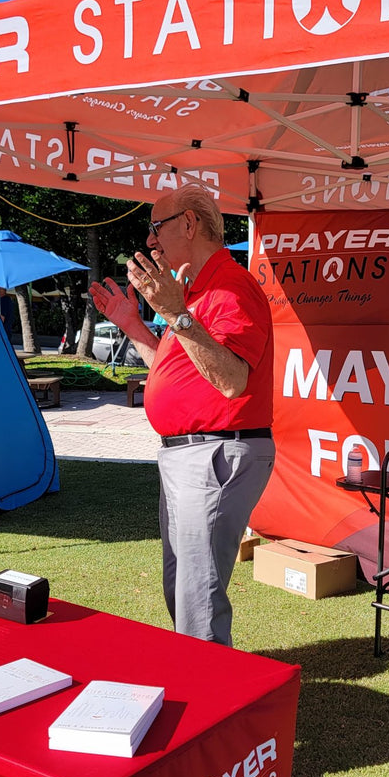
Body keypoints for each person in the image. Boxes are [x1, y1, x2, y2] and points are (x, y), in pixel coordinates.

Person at [90, 186, 275, 646]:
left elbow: (232, 379)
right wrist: (134, 324)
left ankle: (208, 700)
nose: (150, 243)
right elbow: (174, 371)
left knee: (197, 597)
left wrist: (175, 312)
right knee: (184, 587)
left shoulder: (230, 287)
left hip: (213, 452)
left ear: (189, 225)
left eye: (156, 229)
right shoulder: (197, 290)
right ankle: (199, 677)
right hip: (191, 456)